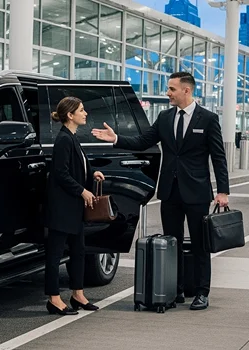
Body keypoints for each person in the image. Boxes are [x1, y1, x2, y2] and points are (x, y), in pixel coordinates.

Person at [91, 72, 229, 311]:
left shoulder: (207, 119)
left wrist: (223, 191)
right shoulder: (165, 118)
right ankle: (174, 291)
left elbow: (218, 157)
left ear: (187, 90)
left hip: (197, 192)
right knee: (172, 242)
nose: (168, 93)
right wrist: (116, 139)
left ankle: (201, 292)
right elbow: (143, 141)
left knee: (200, 244)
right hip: (170, 192)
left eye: (172, 89)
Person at [45, 96, 105, 316]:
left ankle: (77, 294)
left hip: (74, 209)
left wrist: (92, 173)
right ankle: (53, 299)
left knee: (79, 252)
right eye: (81, 110)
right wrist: (82, 190)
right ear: (70, 115)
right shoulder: (63, 140)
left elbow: (78, 165)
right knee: (55, 254)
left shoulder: (72, 138)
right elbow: (60, 174)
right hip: (62, 208)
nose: (85, 113)